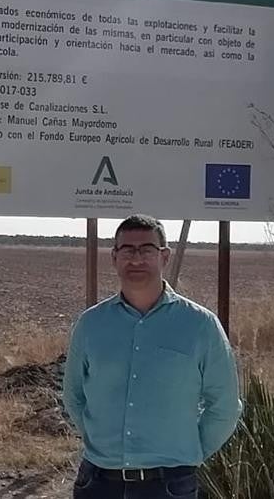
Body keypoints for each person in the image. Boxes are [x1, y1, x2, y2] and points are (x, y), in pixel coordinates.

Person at [62, 214, 241, 499]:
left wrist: (188, 454)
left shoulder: (200, 325)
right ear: (114, 257)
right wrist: (100, 442)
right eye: (127, 250)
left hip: (168, 485)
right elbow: (73, 395)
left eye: (147, 250)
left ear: (164, 256)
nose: (136, 259)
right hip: (98, 483)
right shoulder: (91, 324)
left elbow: (225, 406)